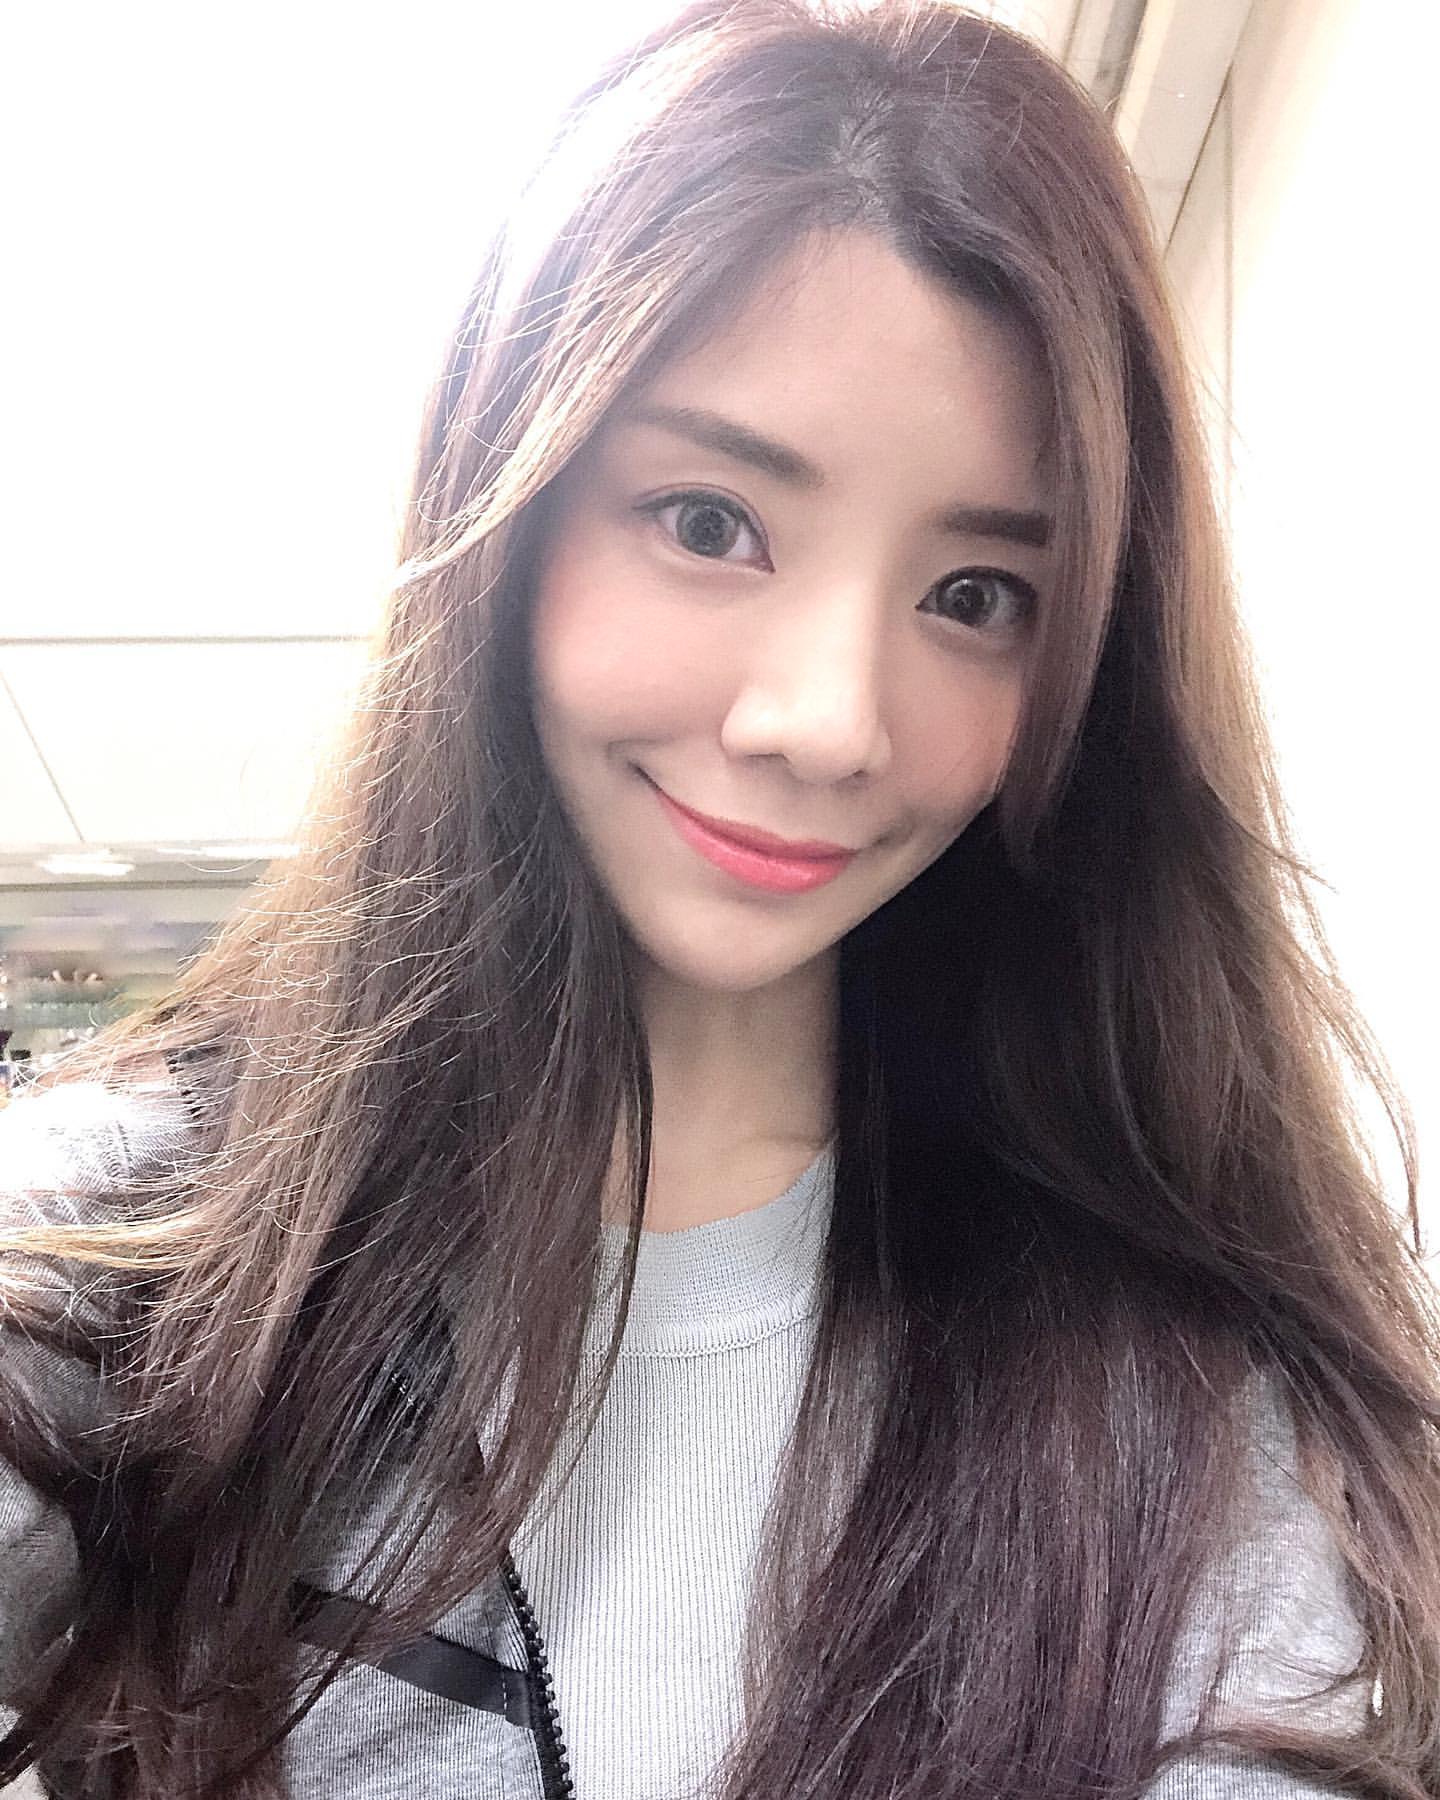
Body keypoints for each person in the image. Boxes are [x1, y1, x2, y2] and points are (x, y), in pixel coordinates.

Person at [1, 2, 1436, 1796]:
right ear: (507, 517)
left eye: (978, 597)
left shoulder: (1206, 1392)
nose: (828, 722)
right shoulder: (138, 1247)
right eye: (707, 522)